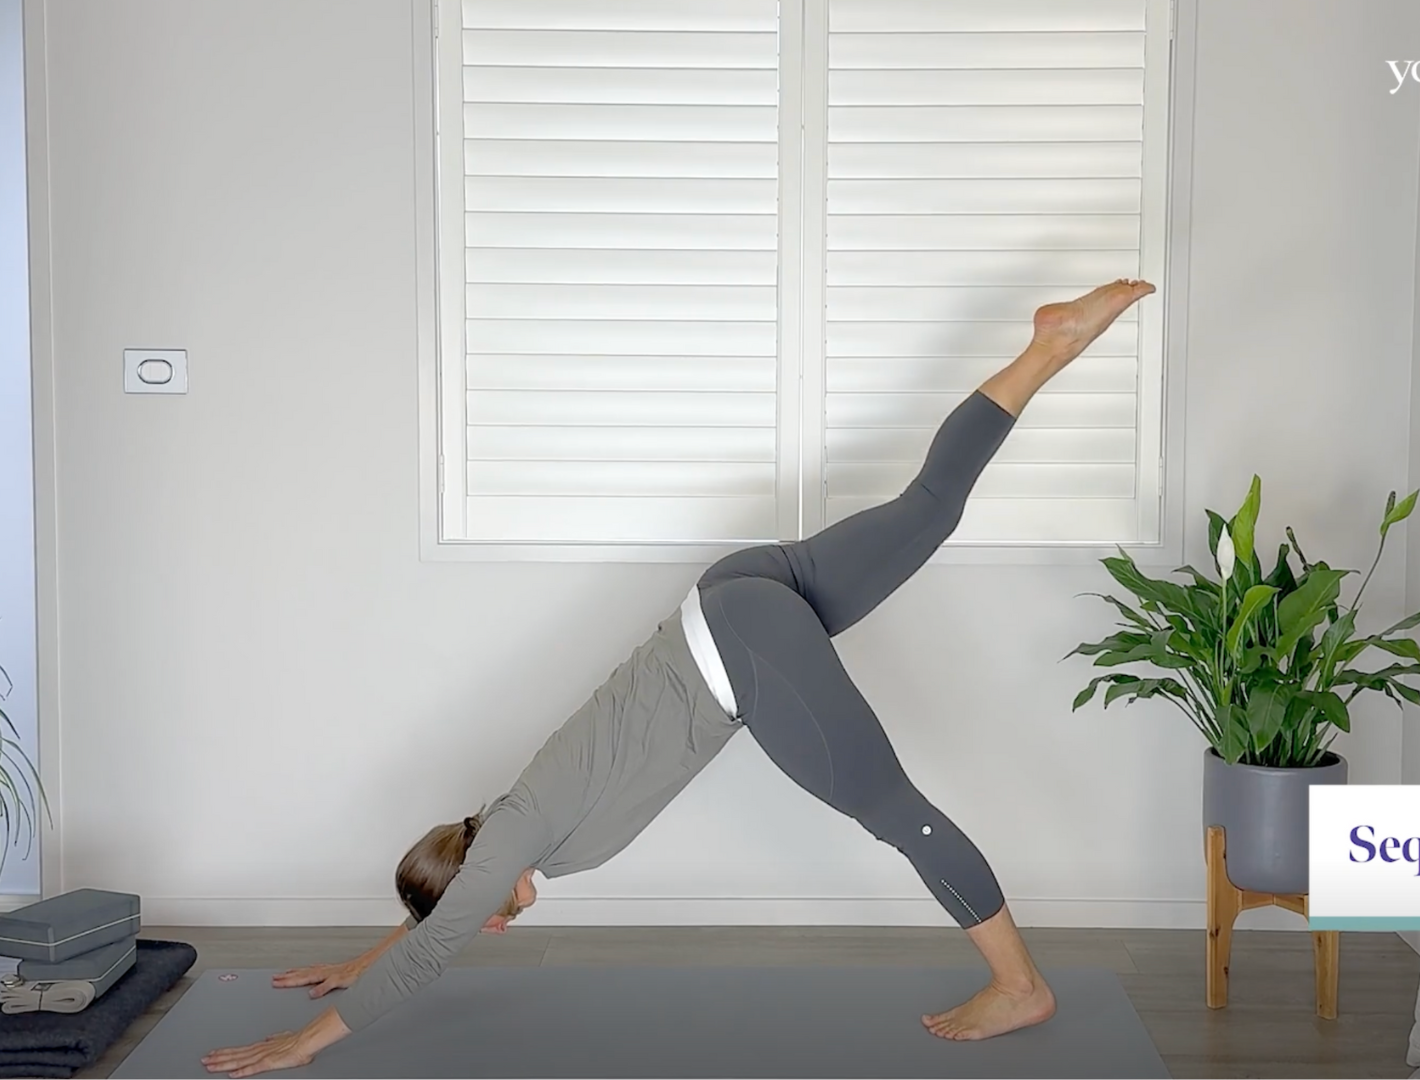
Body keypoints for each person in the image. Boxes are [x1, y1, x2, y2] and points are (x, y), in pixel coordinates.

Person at [203, 279, 1158, 1078]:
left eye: (474, 917)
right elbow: (437, 924)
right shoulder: (503, 821)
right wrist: (358, 959)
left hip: (744, 649)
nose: (485, 926)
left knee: (895, 810)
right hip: (735, 592)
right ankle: (1051, 346)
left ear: (477, 891)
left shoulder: (510, 848)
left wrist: (302, 1044)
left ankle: (1021, 987)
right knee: (927, 507)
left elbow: (433, 952)